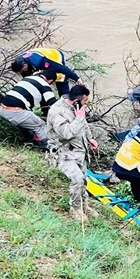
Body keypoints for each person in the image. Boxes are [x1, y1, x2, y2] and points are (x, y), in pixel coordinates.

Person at [46, 85, 99, 220]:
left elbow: (84, 124)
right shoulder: (57, 112)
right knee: (77, 179)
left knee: (84, 179)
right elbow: (67, 133)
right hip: (63, 152)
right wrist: (79, 118)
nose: (86, 103)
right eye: (85, 100)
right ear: (76, 100)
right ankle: (75, 209)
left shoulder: (76, 108)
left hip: (79, 150)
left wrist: (90, 138)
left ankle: (84, 205)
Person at [0, 69, 57, 149]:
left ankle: (31, 141)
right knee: (41, 125)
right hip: (15, 112)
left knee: (30, 122)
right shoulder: (44, 85)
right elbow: (52, 102)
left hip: (2, 109)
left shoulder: (28, 78)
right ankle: (46, 146)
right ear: (50, 80)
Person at [12, 47, 79, 96]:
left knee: (61, 79)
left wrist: (77, 79)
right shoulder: (19, 62)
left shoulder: (40, 61)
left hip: (55, 57)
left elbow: (62, 68)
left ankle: (65, 97)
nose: (20, 73)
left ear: (25, 66)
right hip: (41, 55)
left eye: (20, 71)